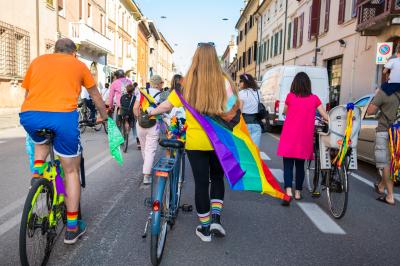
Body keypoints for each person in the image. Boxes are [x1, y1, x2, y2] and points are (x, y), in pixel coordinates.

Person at [19, 38, 108, 244]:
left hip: (30, 115)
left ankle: (37, 175)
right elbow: (94, 94)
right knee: (70, 171)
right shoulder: (78, 65)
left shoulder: (38, 61)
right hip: (62, 117)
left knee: (40, 140)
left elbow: (27, 93)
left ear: (55, 50)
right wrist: (104, 115)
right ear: (74, 53)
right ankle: (72, 228)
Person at [148, 43, 236, 242]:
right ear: (215, 59)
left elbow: (167, 105)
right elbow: (232, 109)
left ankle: (204, 228)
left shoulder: (186, 83)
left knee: (201, 184)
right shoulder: (223, 81)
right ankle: (216, 220)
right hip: (218, 141)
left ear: (196, 58)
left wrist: (151, 111)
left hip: (196, 142)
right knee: (217, 179)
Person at [277, 72, 329, 201]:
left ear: (294, 84)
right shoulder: (314, 98)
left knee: (288, 165)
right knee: (300, 166)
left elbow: (285, 111)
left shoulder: (290, 97)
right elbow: (324, 115)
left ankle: (288, 191)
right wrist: (332, 121)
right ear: (308, 85)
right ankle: (298, 193)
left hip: (289, 136)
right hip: (304, 138)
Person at [367, 88, 400, 205]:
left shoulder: (385, 90)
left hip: (385, 131)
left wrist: (376, 96)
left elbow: (370, 111)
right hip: (398, 132)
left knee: (385, 163)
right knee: (394, 161)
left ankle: (390, 196)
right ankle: (381, 186)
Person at [133, 75, 164, 184]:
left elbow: (135, 108)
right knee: (150, 149)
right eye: (162, 83)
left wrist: (138, 119)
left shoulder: (141, 92)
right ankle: (147, 175)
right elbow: (163, 112)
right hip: (154, 124)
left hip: (141, 123)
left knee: (144, 147)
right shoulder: (161, 95)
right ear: (159, 84)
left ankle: (147, 167)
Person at [238, 73, 262, 147]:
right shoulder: (258, 93)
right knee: (254, 150)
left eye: (240, 81)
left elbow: (240, 110)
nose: (239, 83)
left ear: (245, 82)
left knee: (244, 150)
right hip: (256, 124)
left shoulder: (241, 93)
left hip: (245, 124)